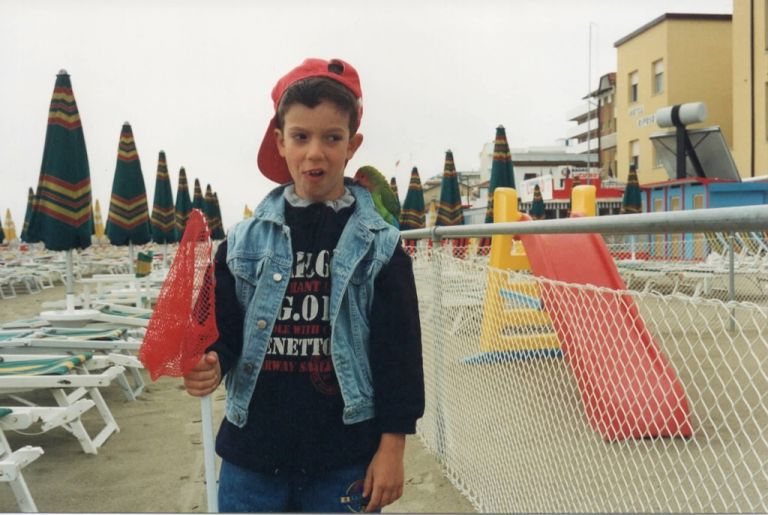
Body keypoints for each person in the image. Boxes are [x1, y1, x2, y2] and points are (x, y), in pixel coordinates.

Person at [183, 57, 425, 513]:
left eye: (332, 138)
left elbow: (399, 355)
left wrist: (392, 446)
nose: (316, 152)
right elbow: (222, 331)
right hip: (251, 455)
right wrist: (212, 361)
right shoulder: (240, 243)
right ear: (280, 141)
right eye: (301, 137)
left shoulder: (382, 248)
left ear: (353, 144)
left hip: (344, 456)